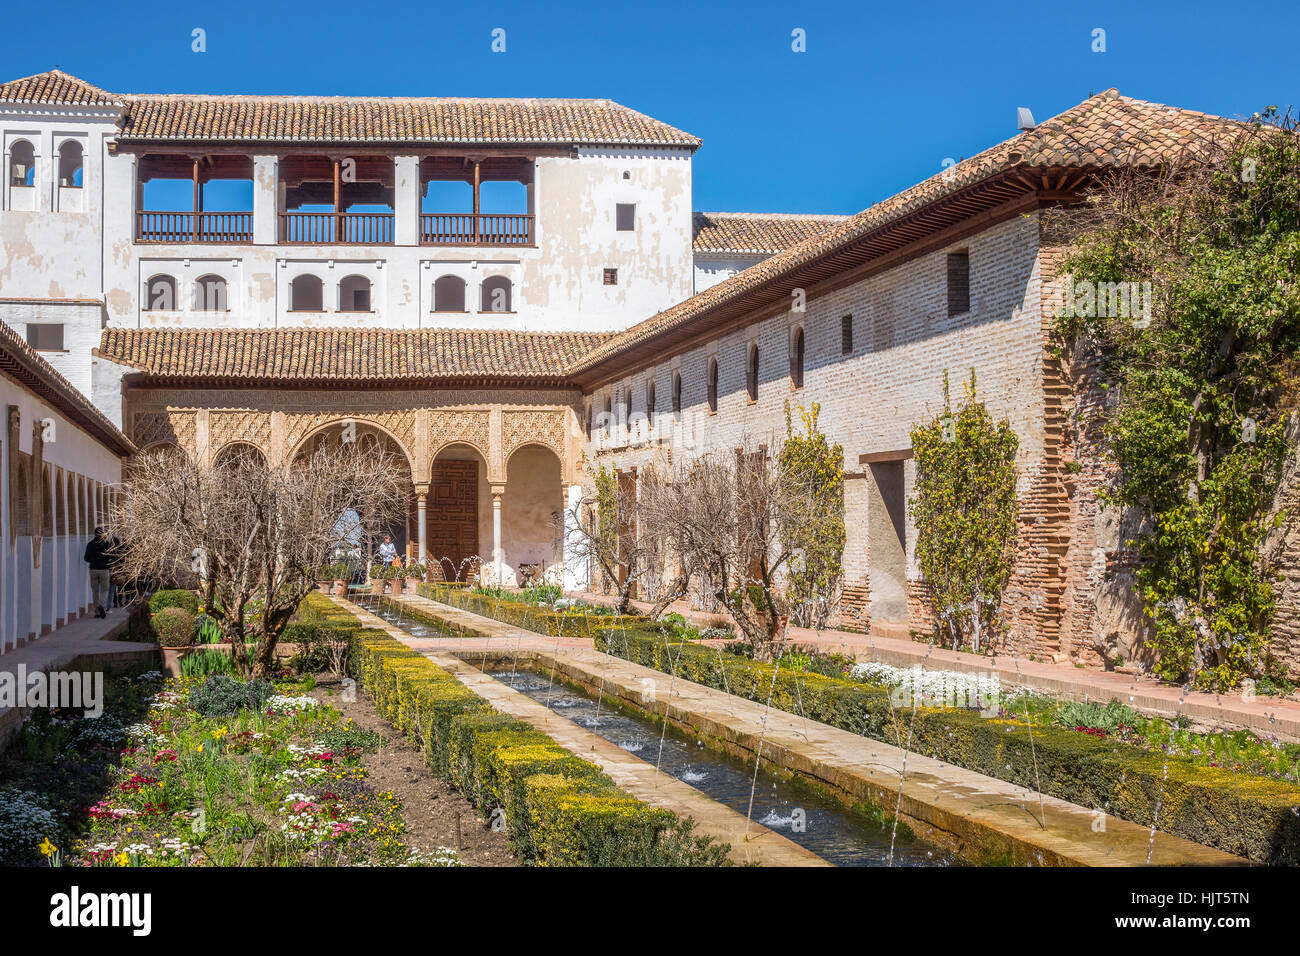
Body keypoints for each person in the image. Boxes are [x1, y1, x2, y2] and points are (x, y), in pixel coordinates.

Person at [84, 526, 114, 618]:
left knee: (95, 591)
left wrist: (93, 560)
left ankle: (97, 611)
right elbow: (112, 557)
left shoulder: (90, 544)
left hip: (93, 569)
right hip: (104, 569)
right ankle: (102, 606)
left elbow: (86, 558)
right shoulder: (107, 544)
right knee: (105, 589)